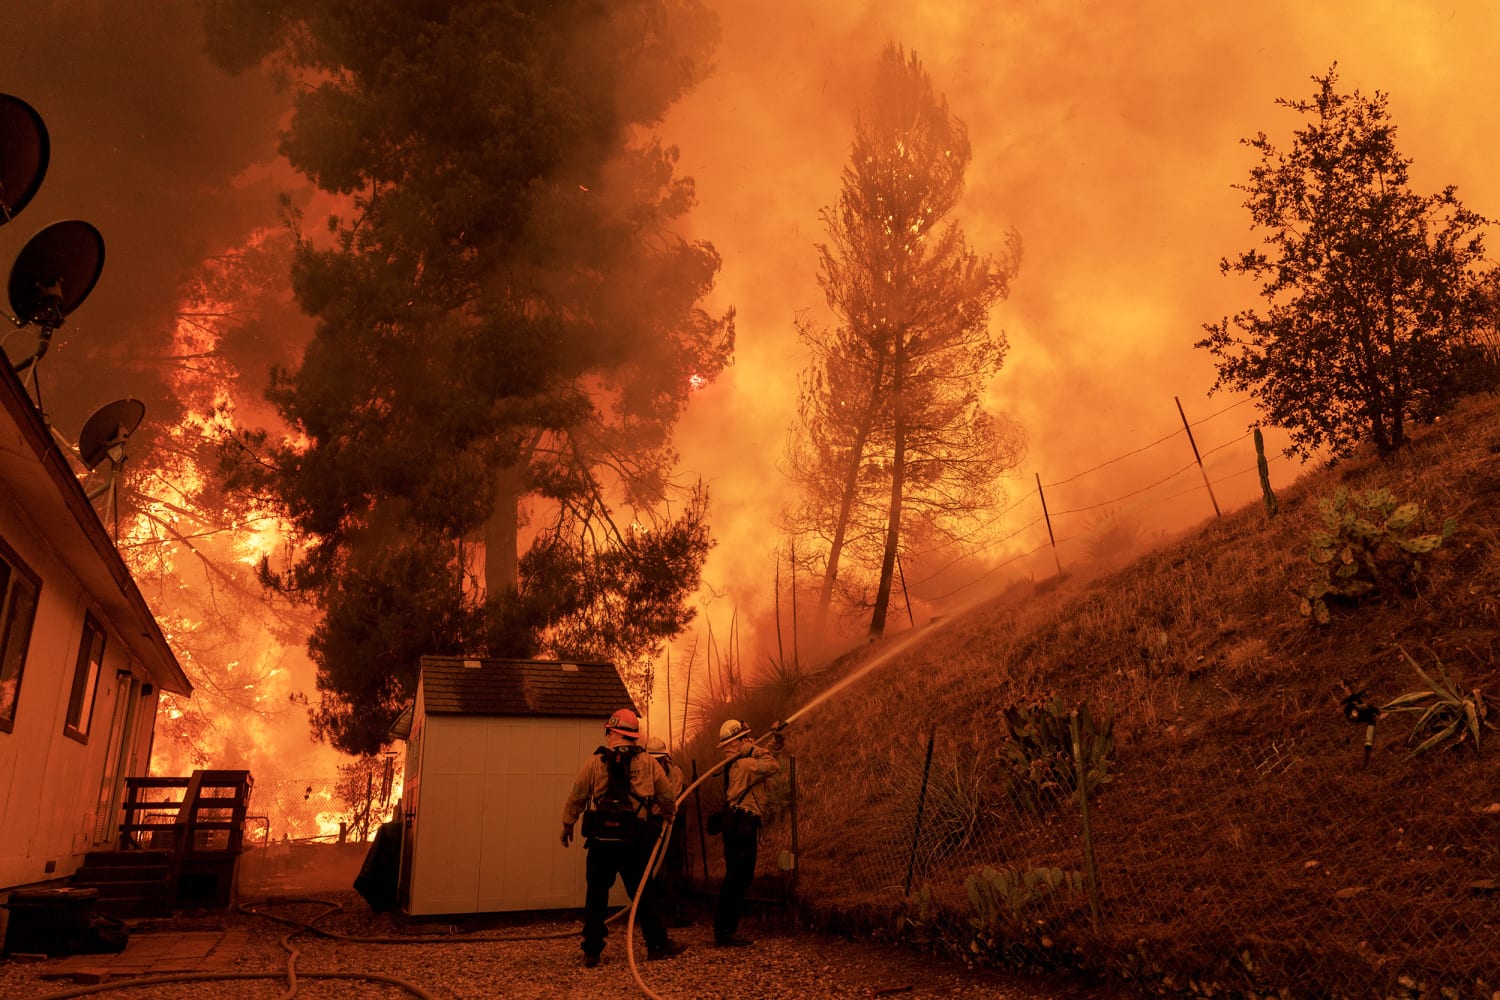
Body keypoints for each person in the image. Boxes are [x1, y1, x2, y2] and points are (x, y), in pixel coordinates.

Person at [560, 708, 687, 968]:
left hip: (601, 841)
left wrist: (567, 824)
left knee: (596, 895)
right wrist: (668, 814)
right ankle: (657, 946)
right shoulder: (648, 762)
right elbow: (667, 795)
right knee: (643, 894)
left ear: (612, 732)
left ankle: (592, 952)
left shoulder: (597, 762)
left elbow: (577, 794)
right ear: (633, 736)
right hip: (634, 841)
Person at [712, 718, 783, 948]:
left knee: (737, 878)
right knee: (737, 879)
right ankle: (725, 931)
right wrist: (752, 747)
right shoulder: (743, 764)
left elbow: (767, 755)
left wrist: (776, 739)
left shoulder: (740, 763)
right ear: (738, 741)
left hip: (737, 824)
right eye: (745, 737)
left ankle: (724, 930)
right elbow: (772, 765)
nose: (750, 739)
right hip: (741, 825)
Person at [644, 736, 691, 927]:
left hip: (672, 824)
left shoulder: (676, 773)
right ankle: (652, 912)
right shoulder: (643, 773)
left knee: (673, 865)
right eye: (652, 760)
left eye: (659, 759)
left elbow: (672, 796)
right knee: (650, 866)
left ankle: (676, 909)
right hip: (652, 825)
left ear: (665, 758)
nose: (656, 763)